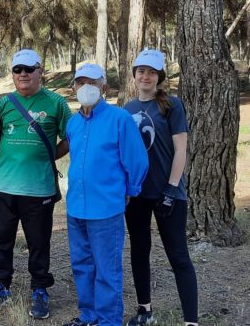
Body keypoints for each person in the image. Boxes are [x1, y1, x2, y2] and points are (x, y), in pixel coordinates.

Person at [0, 49, 72, 318]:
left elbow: (71, 137)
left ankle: (39, 289)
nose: (23, 74)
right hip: (6, 187)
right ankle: (1, 285)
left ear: (40, 71)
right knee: (2, 240)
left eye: (29, 69)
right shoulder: (4, 103)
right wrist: (10, 153)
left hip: (40, 189)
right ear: (12, 74)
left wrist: (49, 156)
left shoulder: (57, 103)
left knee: (38, 242)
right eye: (17, 69)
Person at [63, 63, 148, 326]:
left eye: (93, 82)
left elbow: (137, 161)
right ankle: (89, 316)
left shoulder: (119, 119)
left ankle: (109, 320)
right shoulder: (73, 123)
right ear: (74, 87)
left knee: (106, 270)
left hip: (106, 209)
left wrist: (130, 191)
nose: (86, 87)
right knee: (82, 266)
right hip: (76, 207)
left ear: (104, 87)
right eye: (81, 82)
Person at [123, 50, 198, 326]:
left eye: (152, 72)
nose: (146, 76)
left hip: (169, 194)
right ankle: (145, 310)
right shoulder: (127, 110)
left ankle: (191, 320)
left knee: (178, 256)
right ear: (134, 75)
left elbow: (181, 150)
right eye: (141, 71)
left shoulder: (171, 105)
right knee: (139, 252)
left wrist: (171, 188)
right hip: (137, 195)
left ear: (159, 77)